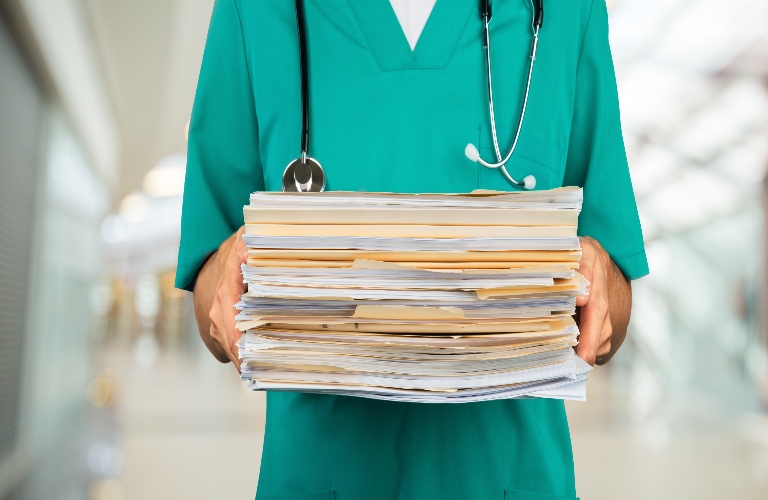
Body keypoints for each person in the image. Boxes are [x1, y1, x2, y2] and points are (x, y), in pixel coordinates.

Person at [176, 0, 648, 498]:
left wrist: (599, 280)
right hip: (318, 479)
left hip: (512, 479)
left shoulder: (567, 11)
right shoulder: (253, 11)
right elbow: (209, 278)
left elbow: (615, 296)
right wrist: (226, 270)